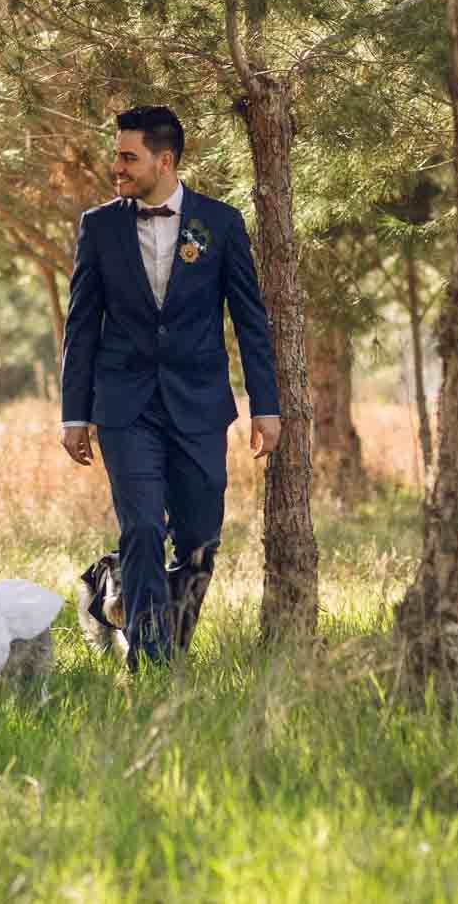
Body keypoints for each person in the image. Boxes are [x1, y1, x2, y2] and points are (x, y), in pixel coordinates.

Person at [59, 105, 280, 666]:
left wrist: (266, 405)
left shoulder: (221, 223)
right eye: (116, 155)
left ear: (165, 160)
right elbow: (82, 324)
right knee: (140, 526)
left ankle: (117, 588)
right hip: (124, 405)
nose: (117, 166)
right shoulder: (100, 226)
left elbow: (249, 319)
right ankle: (152, 665)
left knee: (200, 539)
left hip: (199, 403)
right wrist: (73, 413)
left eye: (127, 156)